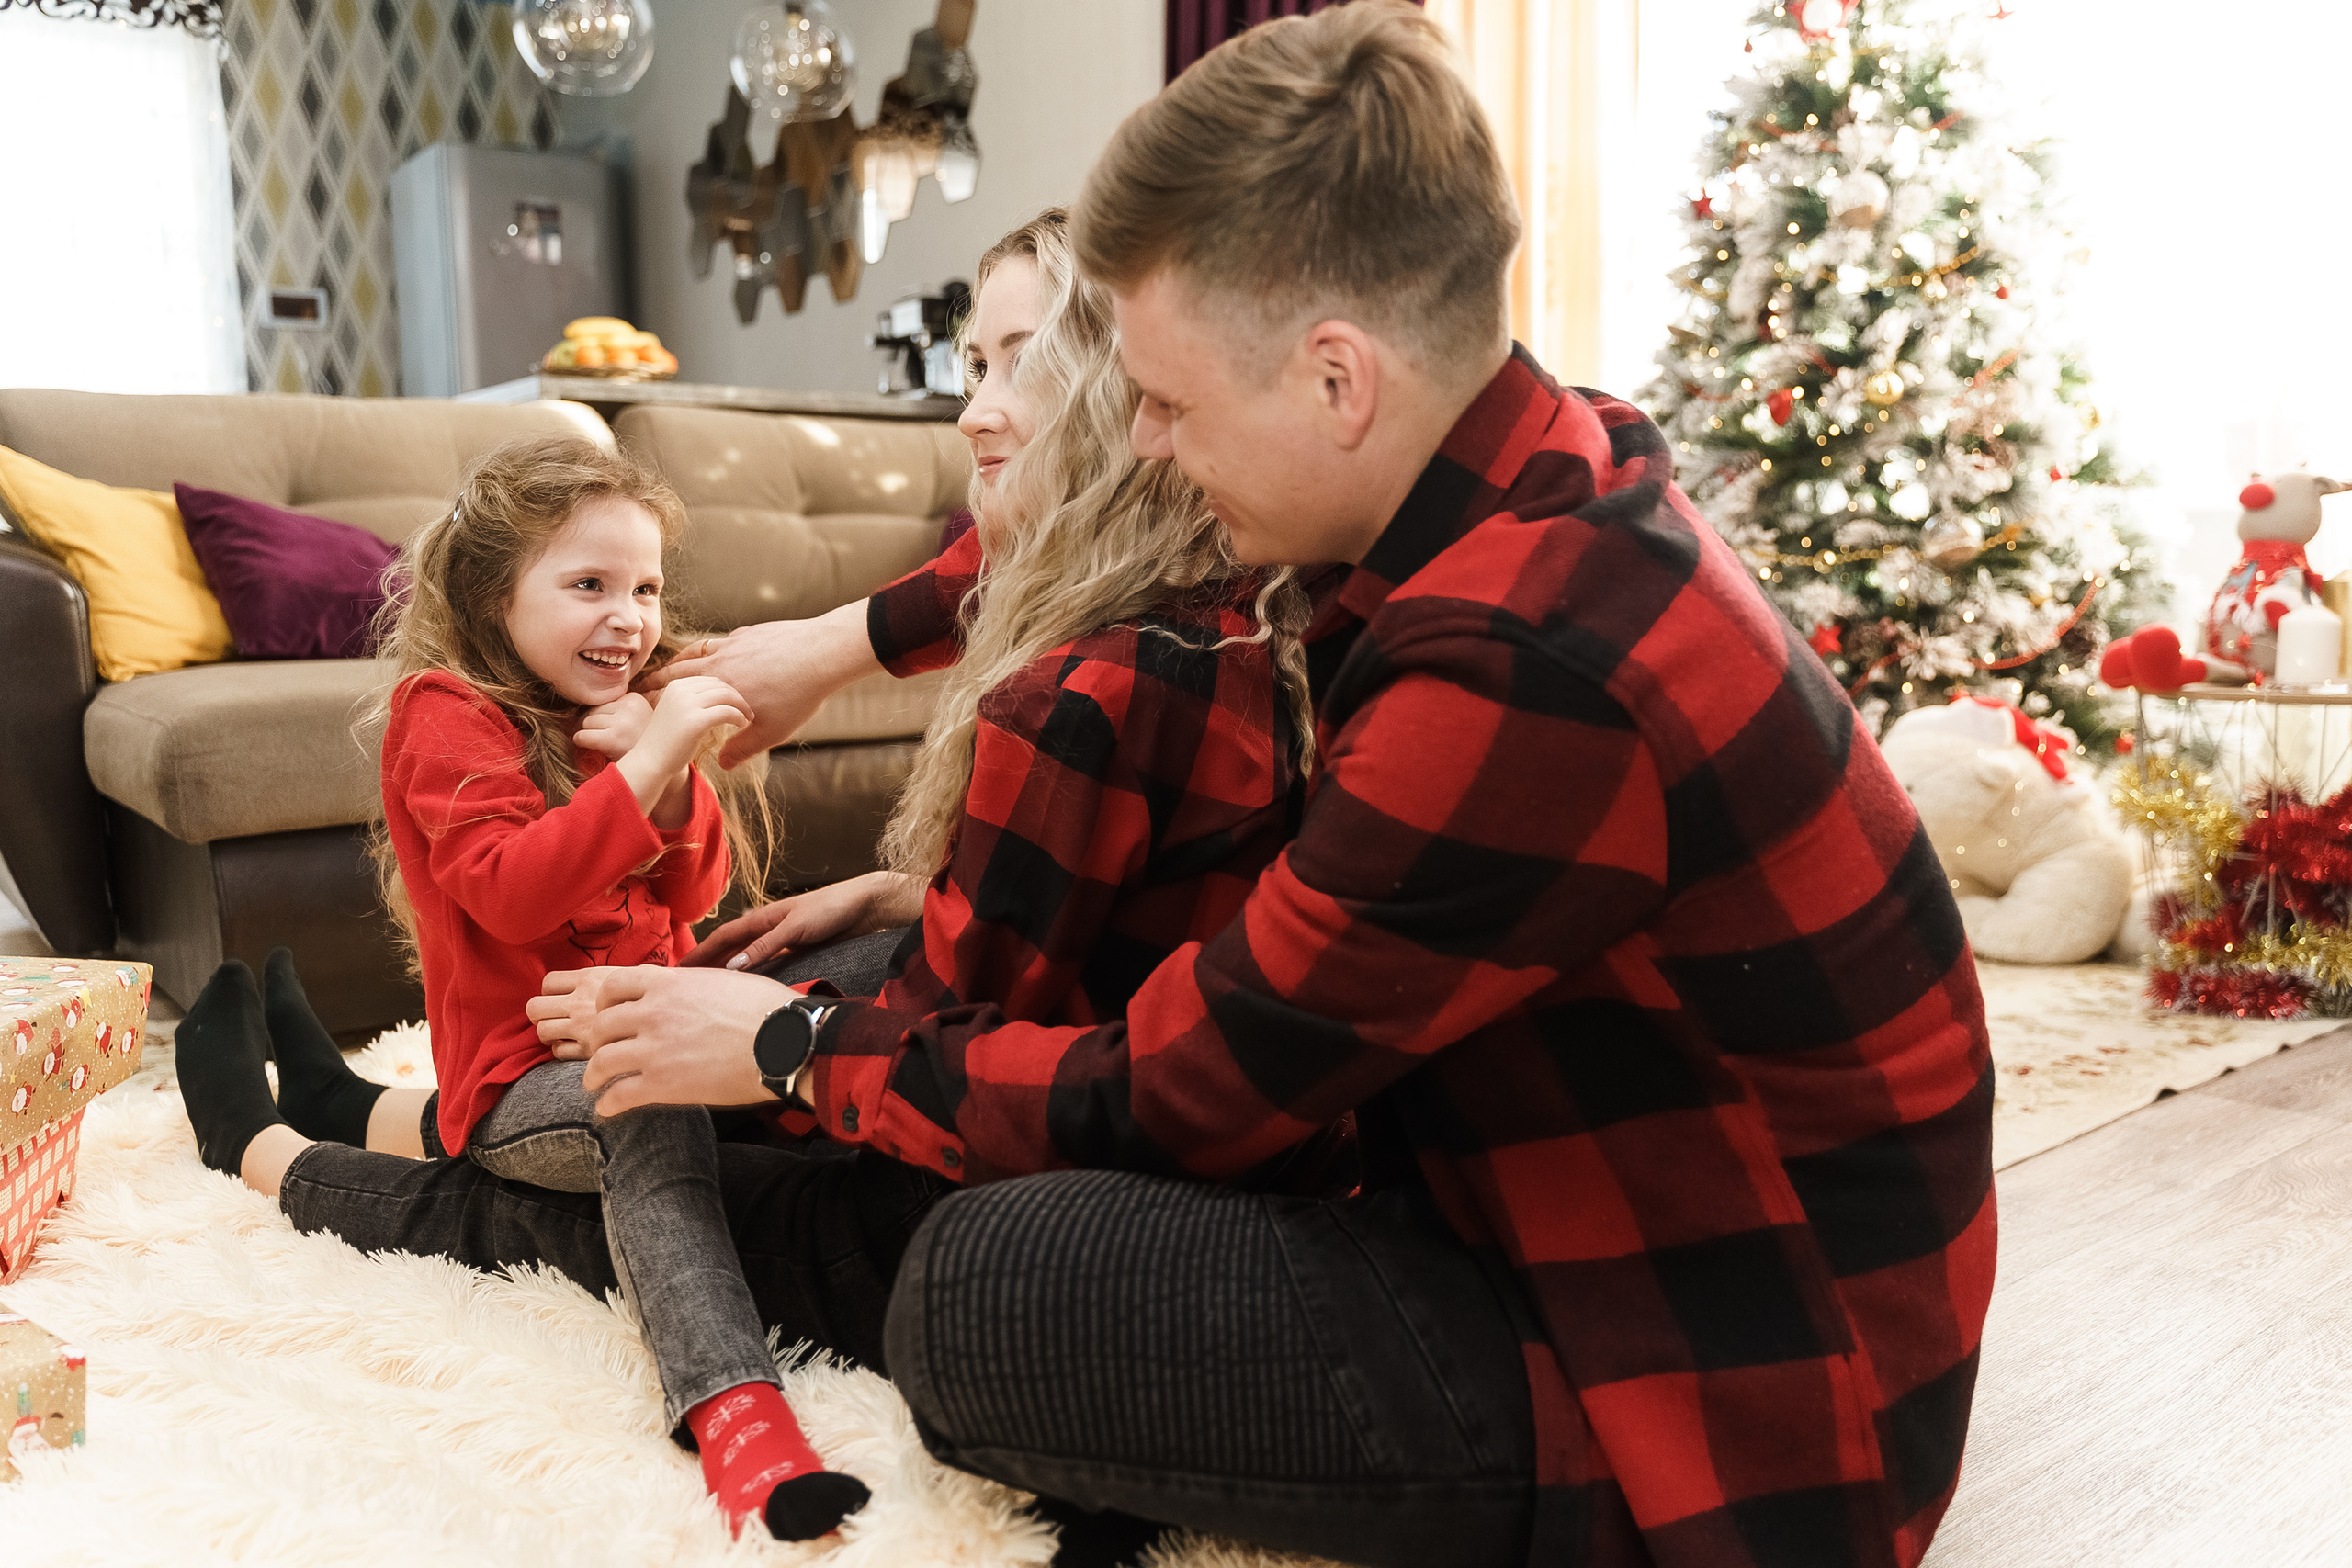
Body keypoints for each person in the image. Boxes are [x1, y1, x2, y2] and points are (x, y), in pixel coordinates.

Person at [535, 6, 1996, 1568]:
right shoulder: (1530, 472)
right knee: (886, 1021)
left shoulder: (1517, 668)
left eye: (1168, 400)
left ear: (1334, 379)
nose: (1146, 444)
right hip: (1572, 1203)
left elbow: (1176, 1095)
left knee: (982, 1283)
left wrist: (793, 1047)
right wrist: (844, 666)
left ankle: (509, 1206)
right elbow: (1062, 559)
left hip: (1728, 1396)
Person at [172, 207, 1339, 1450]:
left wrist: (753, 1009)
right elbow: (538, 893)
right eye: (974, 365)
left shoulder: (1083, 688)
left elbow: (752, 926)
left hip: (1000, 1144)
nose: (972, 412)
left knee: (641, 1150)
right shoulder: (1224, 588)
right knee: (725, 1018)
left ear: (1128, 393)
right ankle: (346, 1108)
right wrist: (883, 887)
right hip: (614, 1068)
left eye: (1021, 361)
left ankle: (282, 1142)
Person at [173, 435, 875, 1542]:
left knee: (831, 975)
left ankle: (336, 1101)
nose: (629, 618)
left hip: (651, 1024)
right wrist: (651, 760)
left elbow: (694, 889)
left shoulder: (623, 709)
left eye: (646, 589)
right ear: (493, 595)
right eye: (588, 585)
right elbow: (509, 893)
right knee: (649, 1101)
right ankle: (733, 1408)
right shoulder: (444, 713)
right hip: (518, 1083)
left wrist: (667, 771)